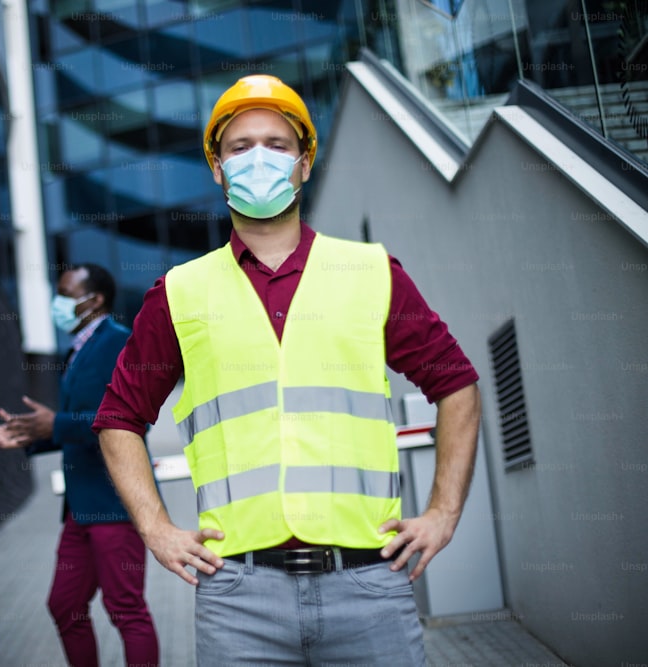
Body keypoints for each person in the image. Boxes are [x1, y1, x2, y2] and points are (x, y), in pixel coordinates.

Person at [93, 75, 482, 666]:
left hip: (368, 583)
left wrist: (443, 513)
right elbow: (118, 418)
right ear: (218, 169)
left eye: (277, 145)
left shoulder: (370, 271)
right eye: (240, 146)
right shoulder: (179, 292)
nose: (259, 159)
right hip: (237, 595)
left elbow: (456, 384)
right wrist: (156, 529)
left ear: (304, 166)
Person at [0, 264, 159, 667]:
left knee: (126, 610)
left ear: (93, 301)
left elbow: (130, 420)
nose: (56, 302)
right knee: (65, 605)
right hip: (80, 508)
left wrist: (53, 424)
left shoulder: (117, 342)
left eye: (64, 293)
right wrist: (33, 434)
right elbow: (81, 422)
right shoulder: (79, 348)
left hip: (114, 500)